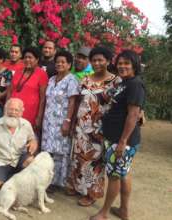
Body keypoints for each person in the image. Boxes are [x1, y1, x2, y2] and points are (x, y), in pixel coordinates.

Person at [90, 50, 145, 220]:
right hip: (116, 137)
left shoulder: (135, 84)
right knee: (123, 173)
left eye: (127, 63)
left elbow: (133, 115)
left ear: (134, 65)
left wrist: (122, 141)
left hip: (121, 140)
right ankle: (123, 211)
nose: (122, 66)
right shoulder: (125, 83)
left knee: (114, 176)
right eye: (120, 63)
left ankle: (104, 213)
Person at [67, 47, 121, 206]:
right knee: (78, 158)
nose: (97, 63)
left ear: (108, 61)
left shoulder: (115, 81)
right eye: (94, 60)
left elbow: (120, 105)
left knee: (95, 161)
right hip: (81, 126)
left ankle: (92, 193)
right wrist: (72, 124)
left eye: (100, 60)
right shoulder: (85, 79)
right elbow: (78, 102)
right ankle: (77, 186)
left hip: (99, 129)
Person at [0, 98, 38, 190]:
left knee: (31, 161)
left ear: (21, 112)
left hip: (18, 159)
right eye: (10, 109)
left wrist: (33, 142)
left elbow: (32, 138)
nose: (13, 112)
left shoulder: (26, 125)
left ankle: (14, 182)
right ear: (5, 110)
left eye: (16, 110)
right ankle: (15, 182)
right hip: (0, 161)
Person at [41, 50, 80, 192]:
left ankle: (56, 182)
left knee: (59, 153)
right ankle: (46, 179)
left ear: (69, 64)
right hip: (48, 121)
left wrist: (68, 121)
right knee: (47, 150)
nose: (59, 64)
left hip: (61, 122)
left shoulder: (72, 80)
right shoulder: (51, 79)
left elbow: (73, 102)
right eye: (57, 62)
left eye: (63, 62)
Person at [7, 47, 48, 135]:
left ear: (37, 60)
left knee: (26, 141)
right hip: (13, 112)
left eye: (30, 57)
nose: (27, 60)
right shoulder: (18, 71)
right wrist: (6, 110)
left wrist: (39, 117)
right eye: (25, 57)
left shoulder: (42, 74)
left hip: (30, 114)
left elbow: (43, 98)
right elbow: (10, 91)